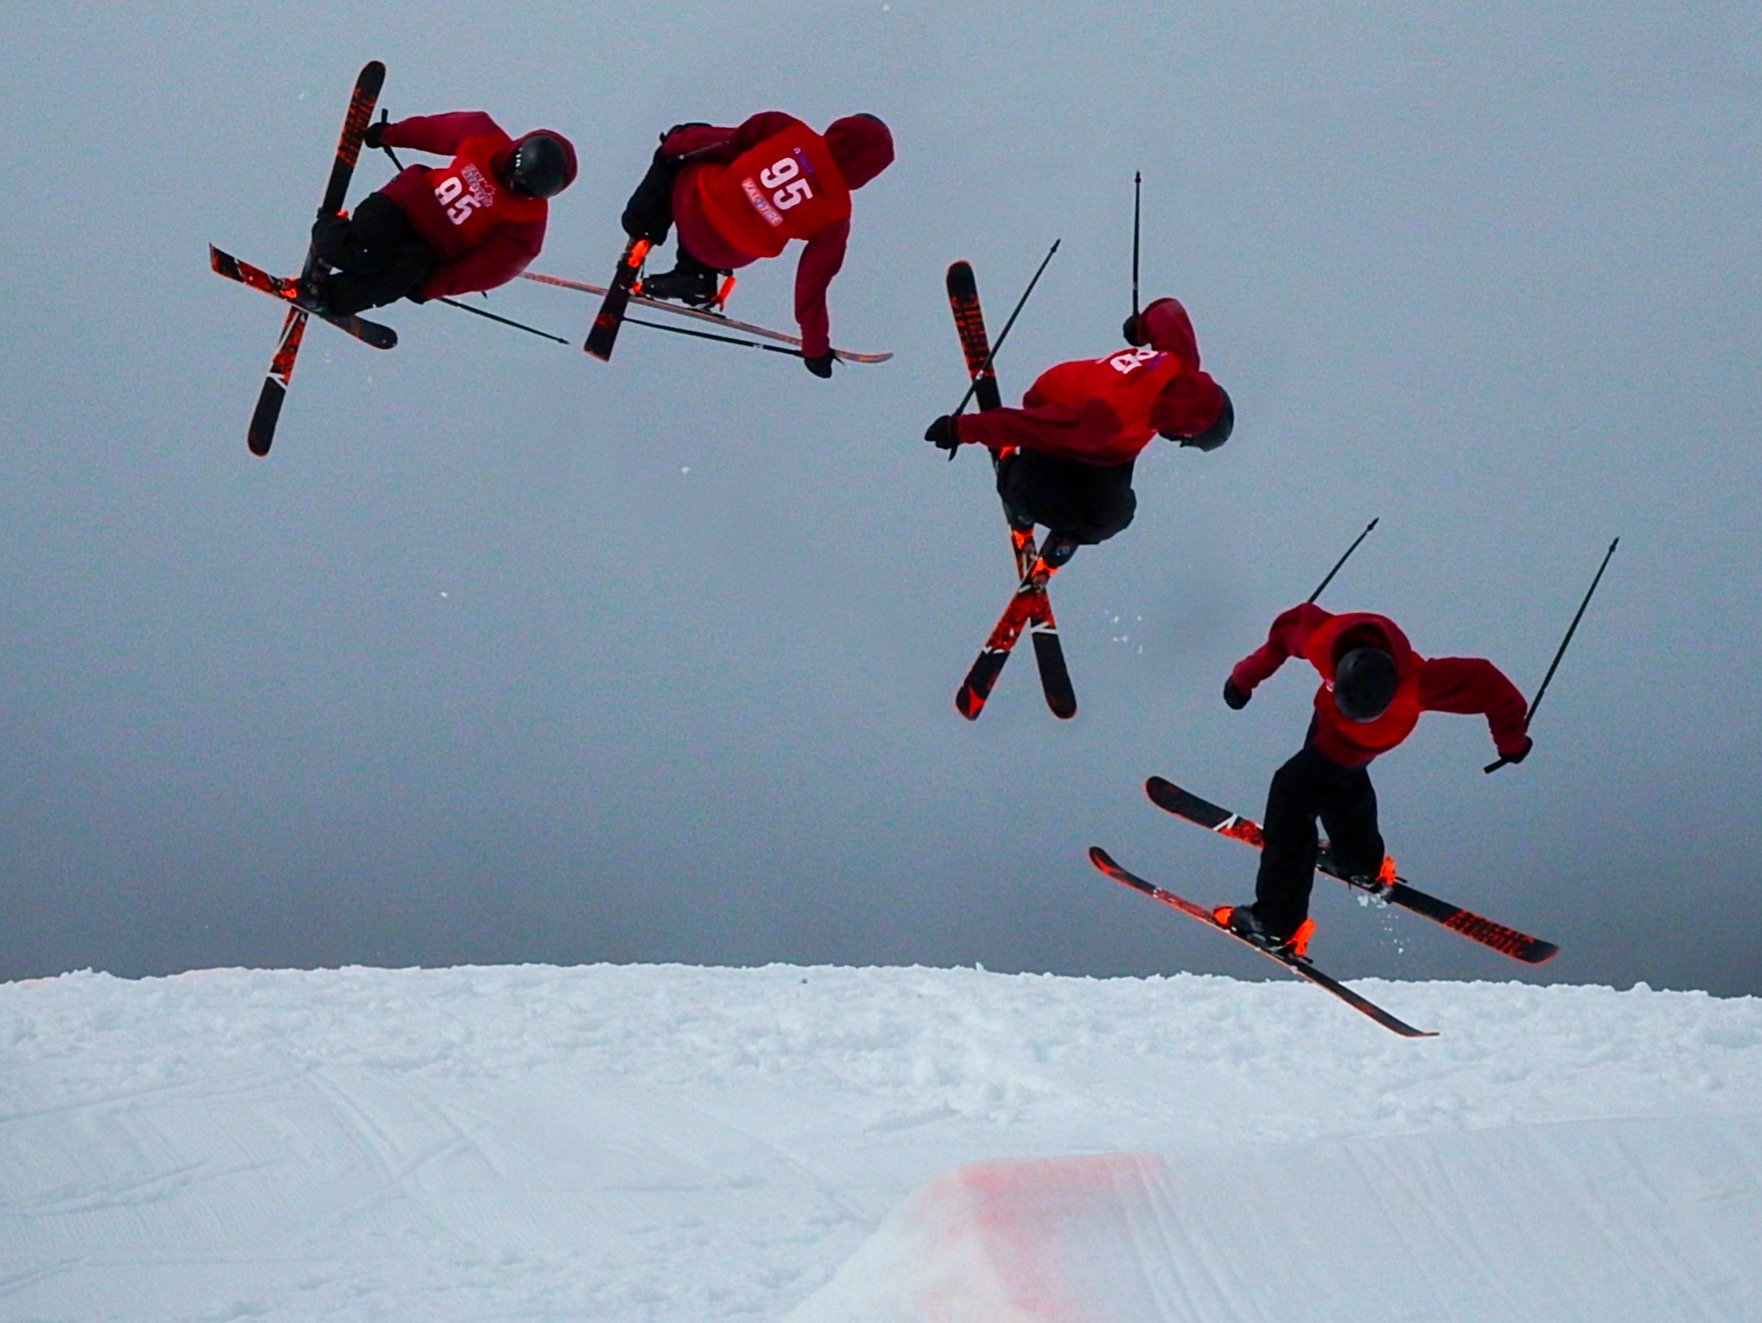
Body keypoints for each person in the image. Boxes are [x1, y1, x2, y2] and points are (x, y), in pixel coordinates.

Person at [1217, 603, 1533, 955]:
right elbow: (1284, 634)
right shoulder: (1322, 640)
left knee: (1292, 798)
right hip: (1332, 726)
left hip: (1373, 736)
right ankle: (1360, 860)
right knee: (1340, 781)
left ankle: (1276, 925)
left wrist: (1511, 741)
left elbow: (1490, 685)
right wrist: (1243, 679)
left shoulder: (1420, 681)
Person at [923, 298, 1233, 565]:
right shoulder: (1109, 419)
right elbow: (1032, 427)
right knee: (1052, 498)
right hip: (1061, 422)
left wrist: (1141, 325)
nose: (1178, 443)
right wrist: (962, 429)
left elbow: (1168, 311)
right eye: (1186, 440)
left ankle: (1065, 523)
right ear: (1179, 428)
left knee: (1115, 514)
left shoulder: (1182, 364)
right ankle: (1014, 486)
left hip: (1109, 449)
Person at [618, 112, 896, 377]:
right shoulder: (837, 215)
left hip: (698, 209)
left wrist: (675, 141)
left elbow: (725, 141)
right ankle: (695, 277)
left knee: (689, 149)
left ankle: (641, 233)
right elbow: (813, 283)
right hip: (732, 252)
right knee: (738, 205)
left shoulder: (786, 128)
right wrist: (814, 347)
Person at [303, 112, 578, 317]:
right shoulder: (483, 137)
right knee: (364, 253)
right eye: (516, 180)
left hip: (430, 249)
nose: (514, 189)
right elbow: (433, 131)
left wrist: (432, 287)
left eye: (526, 191)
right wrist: (389, 134)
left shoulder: (528, 222)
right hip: (403, 203)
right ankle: (328, 231)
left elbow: (490, 268)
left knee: (390, 282)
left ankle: (325, 297)